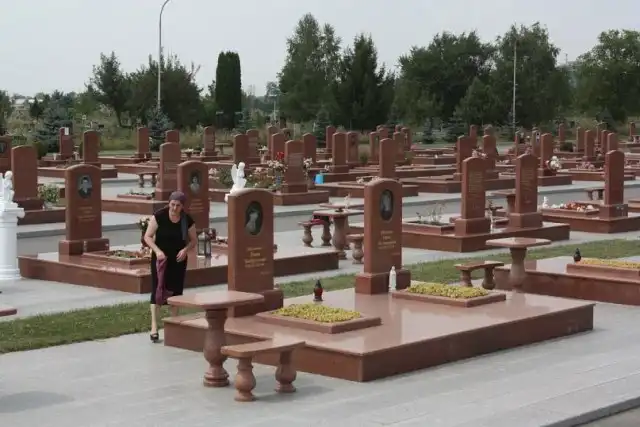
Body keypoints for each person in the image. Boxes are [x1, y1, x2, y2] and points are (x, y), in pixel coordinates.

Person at [143, 191, 197, 342]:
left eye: (178, 205)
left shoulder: (187, 220)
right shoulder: (159, 216)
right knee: (157, 290)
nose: (174, 208)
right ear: (169, 203)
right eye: (172, 204)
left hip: (178, 260)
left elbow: (193, 240)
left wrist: (185, 250)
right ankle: (154, 326)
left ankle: (174, 324)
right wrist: (157, 251)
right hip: (161, 259)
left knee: (176, 292)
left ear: (182, 206)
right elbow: (147, 236)